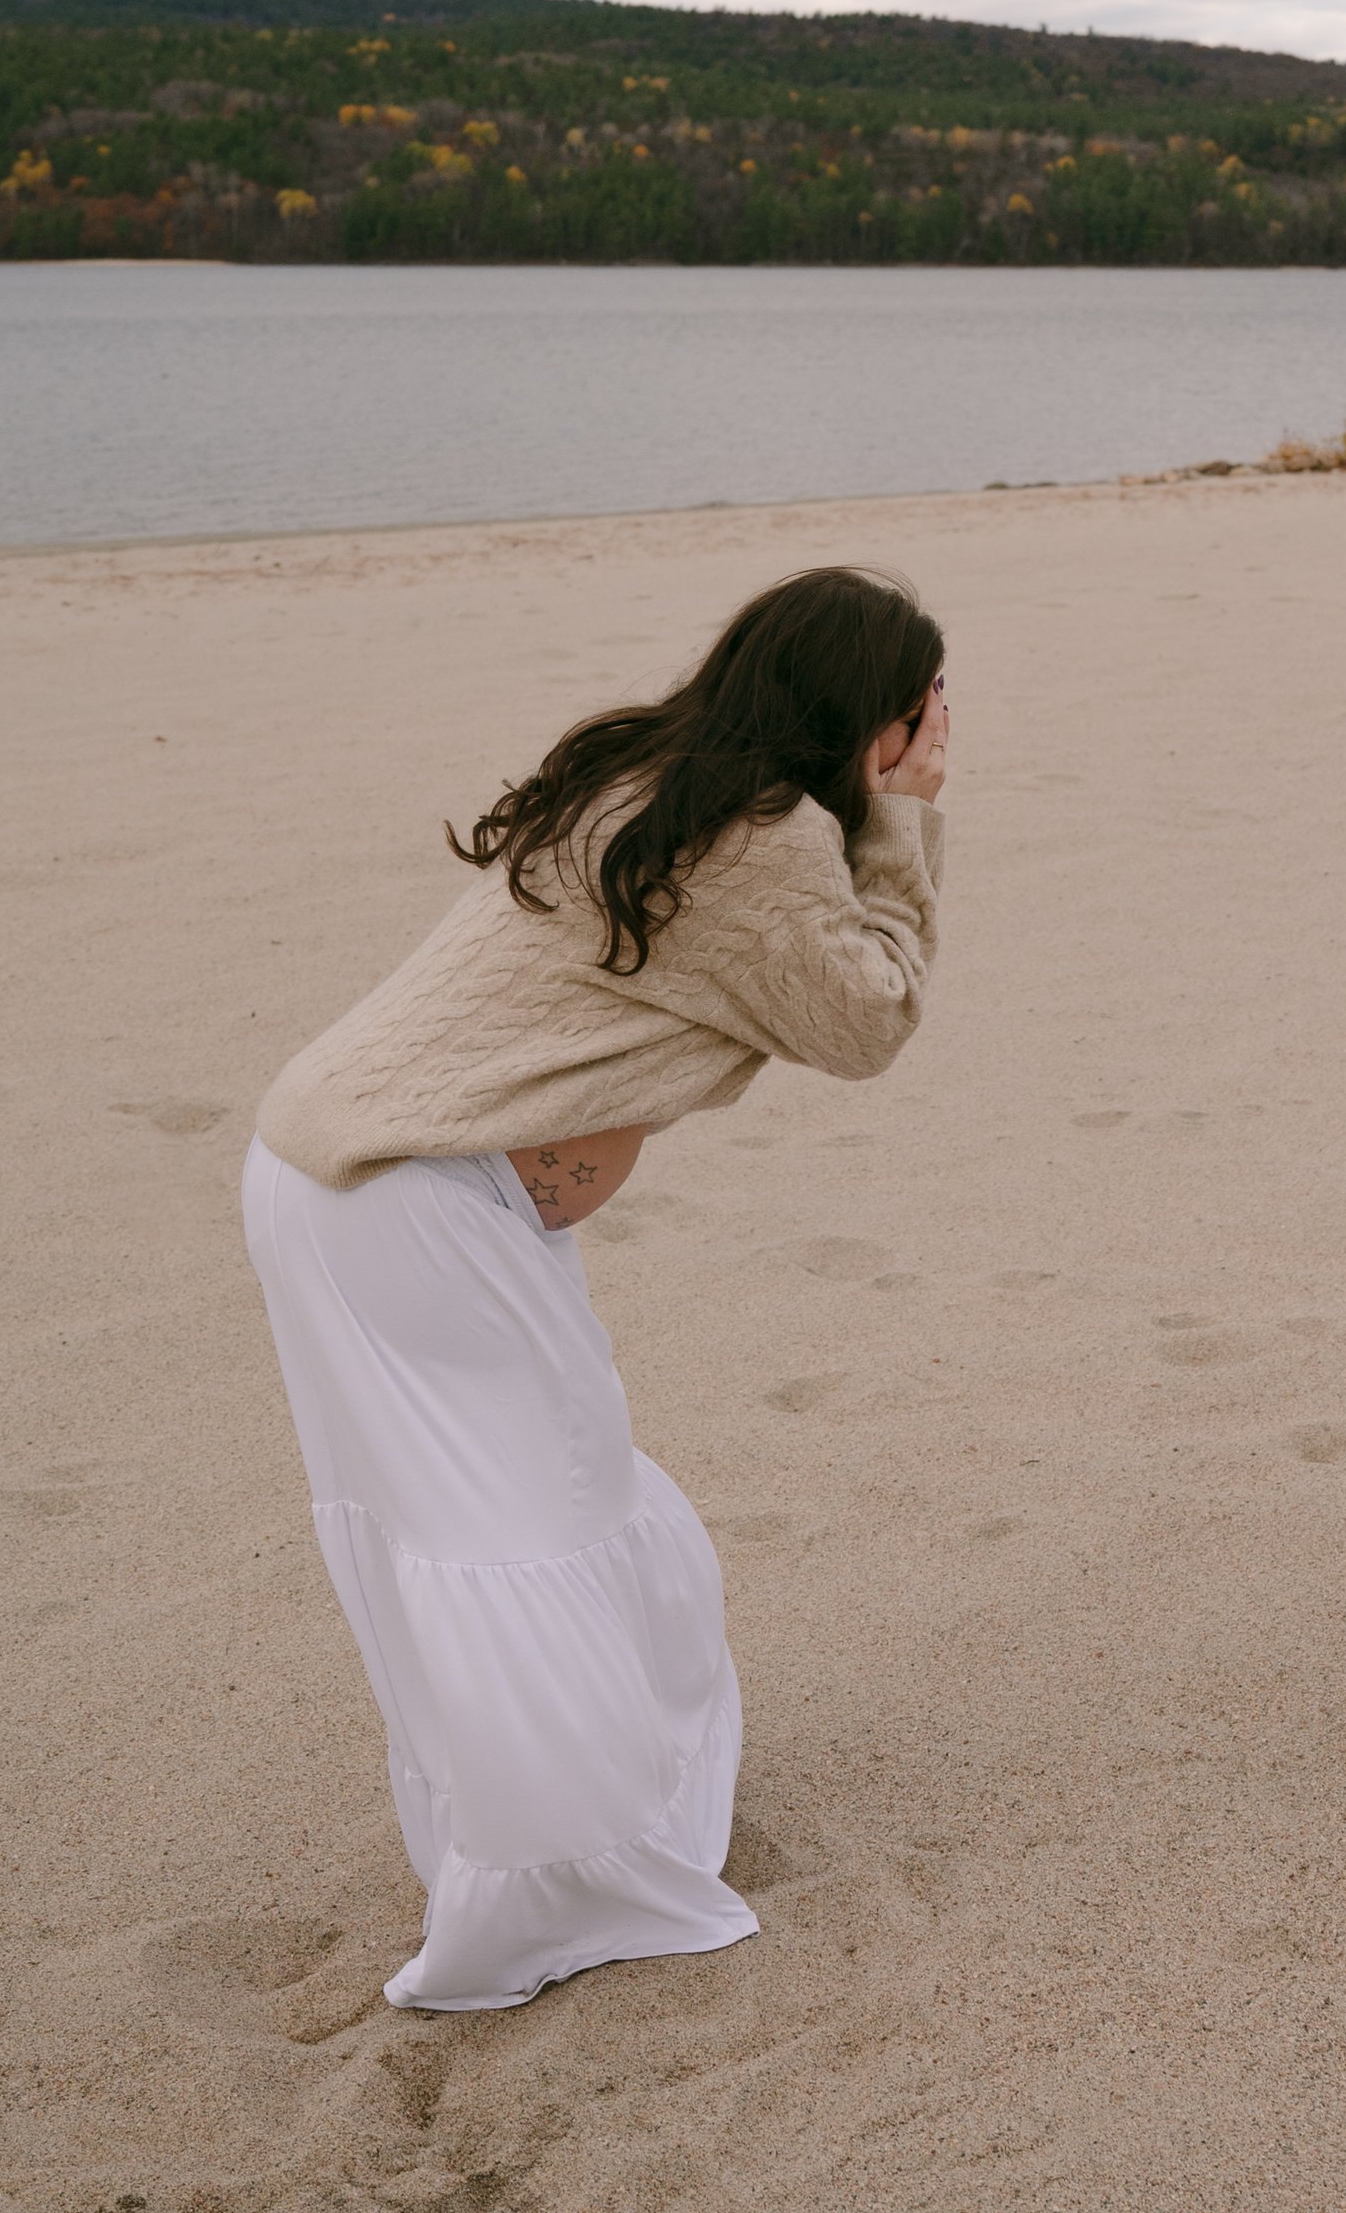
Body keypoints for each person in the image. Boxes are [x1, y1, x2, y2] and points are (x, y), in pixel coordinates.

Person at [242, 565, 948, 2010]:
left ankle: (551, 1845)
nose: (938, 727)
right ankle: (538, 1898)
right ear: (873, 712)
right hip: (410, 1192)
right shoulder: (766, 832)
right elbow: (869, 1015)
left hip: (333, 1174)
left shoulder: (649, 768)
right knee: (528, 1527)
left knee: (524, 1507)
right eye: (924, 706)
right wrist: (907, 811)